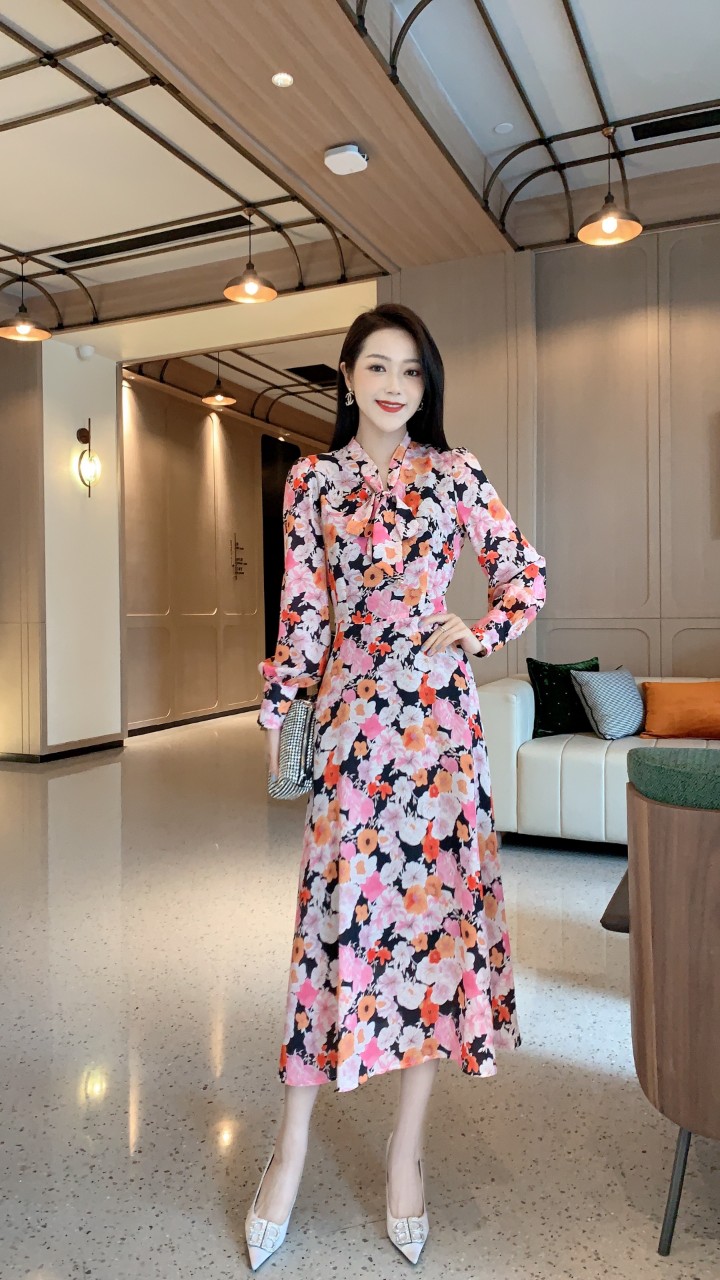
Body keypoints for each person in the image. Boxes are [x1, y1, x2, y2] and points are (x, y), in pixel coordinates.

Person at [246, 302, 547, 1268]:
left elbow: (524, 577)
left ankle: (405, 1156)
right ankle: (289, 1152)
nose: (394, 386)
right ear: (345, 376)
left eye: (412, 371)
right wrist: (281, 716)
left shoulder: (455, 474)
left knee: (434, 935)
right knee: (330, 928)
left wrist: (478, 631)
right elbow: (302, 617)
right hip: (350, 731)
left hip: (440, 734)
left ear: (427, 385)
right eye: (377, 366)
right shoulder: (313, 482)